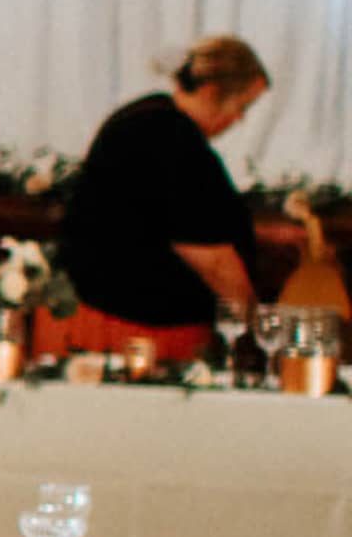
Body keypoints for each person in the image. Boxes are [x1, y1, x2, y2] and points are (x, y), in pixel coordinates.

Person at [54, 40, 330, 350]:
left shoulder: (143, 117)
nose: (240, 119)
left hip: (108, 318)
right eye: (242, 106)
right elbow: (212, 259)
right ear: (212, 91)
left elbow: (159, 221)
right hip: (145, 333)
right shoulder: (174, 140)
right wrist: (258, 331)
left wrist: (259, 234)